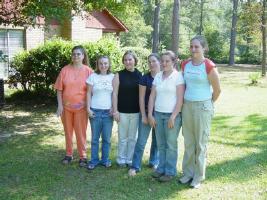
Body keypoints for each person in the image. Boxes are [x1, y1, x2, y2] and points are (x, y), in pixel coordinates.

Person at [179, 35, 221, 189]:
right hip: (187, 106)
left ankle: (198, 176)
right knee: (189, 142)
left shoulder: (209, 66)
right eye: (191, 46)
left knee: (200, 143)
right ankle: (188, 173)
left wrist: (208, 104)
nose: (193, 49)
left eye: (196, 46)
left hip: (203, 107)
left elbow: (217, 90)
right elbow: (182, 85)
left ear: (204, 48)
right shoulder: (185, 64)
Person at [148, 50, 185, 182]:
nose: (164, 63)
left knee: (171, 144)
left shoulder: (178, 76)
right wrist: (150, 114)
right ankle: (160, 169)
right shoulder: (158, 76)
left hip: (172, 116)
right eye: (162, 61)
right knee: (161, 143)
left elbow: (180, 99)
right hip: (158, 114)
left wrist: (173, 116)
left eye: (167, 61)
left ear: (174, 62)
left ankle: (170, 171)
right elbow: (152, 96)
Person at [54, 45, 93, 167]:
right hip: (66, 108)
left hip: (81, 108)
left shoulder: (89, 71)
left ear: (83, 56)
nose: (75, 56)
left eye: (78, 54)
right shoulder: (65, 70)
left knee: (81, 133)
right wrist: (60, 106)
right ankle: (69, 154)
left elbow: (92, 92)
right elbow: (59, 89)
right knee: (68, 132)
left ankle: (83, 156)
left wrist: (87, 105)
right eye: (73, 54)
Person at [128, 53, 160, 176]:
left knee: (157, 141)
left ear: (159, 62)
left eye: (154, 61)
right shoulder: (145, 78)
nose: (151, 64)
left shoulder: (163, 77)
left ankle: (154, 161)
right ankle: (135, 166)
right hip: (146, 113)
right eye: (149, 62)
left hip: (160, 114)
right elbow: (141, 98)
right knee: (141, 141)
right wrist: (144, 115)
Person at [112, 50, 142, 167]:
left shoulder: (140, 74)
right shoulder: (118, 75)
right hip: (122, 111)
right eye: (125, 60)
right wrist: (115, 111)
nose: (127, 62)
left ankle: (130, 160)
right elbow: (114, 93)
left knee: (132, 138)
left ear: (135, 60)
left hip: (135, 112)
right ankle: (121, 159)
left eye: (130, 59)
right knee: (122, 137)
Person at [86, 56, 114, 170]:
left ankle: (105, 159)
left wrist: (114, 108)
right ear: (97, 65)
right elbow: (88, 93)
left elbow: (115, 94)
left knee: (107, 139)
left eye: (106, 63)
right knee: (94, 139)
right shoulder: (92, 76)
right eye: (101, 63)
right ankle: (94, 160)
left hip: (108, 112)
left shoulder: (113, 77)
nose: (103, 65)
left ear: (109, 64)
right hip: (95, 111)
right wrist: (88, 108)